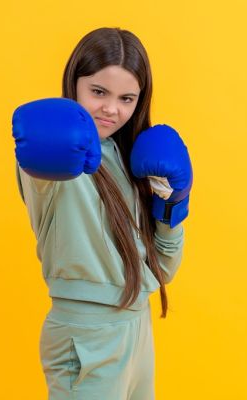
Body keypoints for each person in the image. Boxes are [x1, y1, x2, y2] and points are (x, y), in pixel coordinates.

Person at [12, 27, 193, 400]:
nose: (112, 109)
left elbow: (163, 270)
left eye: (126, 98)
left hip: (137, 326)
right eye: (98, 92)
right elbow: (38, 162)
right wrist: (53, 134)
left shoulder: (131, 160)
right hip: (87, 334)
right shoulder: (55, 156)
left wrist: (172, 206)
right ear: (74, 84)